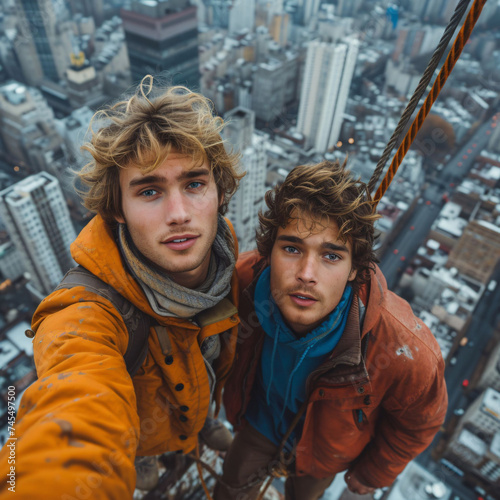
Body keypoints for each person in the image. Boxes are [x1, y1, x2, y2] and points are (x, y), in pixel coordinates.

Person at [0, 77, 243, 498]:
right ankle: (144, 455)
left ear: (219, 192)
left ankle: (203, 422)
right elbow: (74, 408)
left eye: (194, 184)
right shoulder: (86, 312)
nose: (180, 213)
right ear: (117, 211)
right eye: (150, 191)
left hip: (197, 389)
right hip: (141, 426)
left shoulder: (224, 245)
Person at [215, 160, 448, 500]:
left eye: (331, 256)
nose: (307, 274)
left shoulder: (404, 351)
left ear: (356, 269)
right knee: (231, 490)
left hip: (324, 455)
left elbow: (418, 422)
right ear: (269, 253)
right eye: (292, 248)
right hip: (258, 422)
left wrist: (373, 473)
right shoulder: (241, 285)